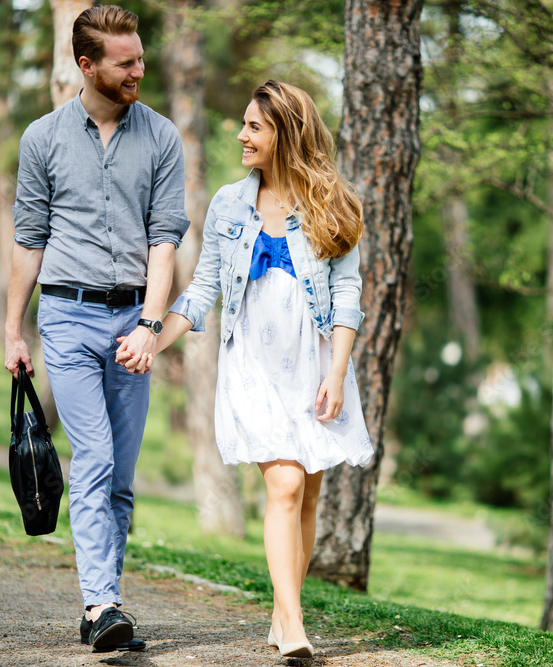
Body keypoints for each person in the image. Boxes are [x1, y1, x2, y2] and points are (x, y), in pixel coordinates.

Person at [127, 80, 374, 658]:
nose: (241, 135)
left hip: (313, 362)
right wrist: (153, 336)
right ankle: (292, 627)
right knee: (284, 485)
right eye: (242, 124)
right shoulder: (229, 204)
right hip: (253, 365)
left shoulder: (334, 203)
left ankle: (282, 611)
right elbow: (206, 287)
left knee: (308, 493)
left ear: (285, 134)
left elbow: (346, 294)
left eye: (254, 127)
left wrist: (337, 372)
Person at [4, 5, 188, 653]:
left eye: (140, 58)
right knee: (97, 456)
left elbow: (164, 241)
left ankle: (103, 604)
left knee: (121, 476)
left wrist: (149, 323)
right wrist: (13, 330)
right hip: (66, 313)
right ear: (86, 65)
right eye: (126, 62)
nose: (140, 69)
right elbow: (28, 241)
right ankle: (102, 601)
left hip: (132, 319)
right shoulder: (43, 139)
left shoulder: (161, 137)